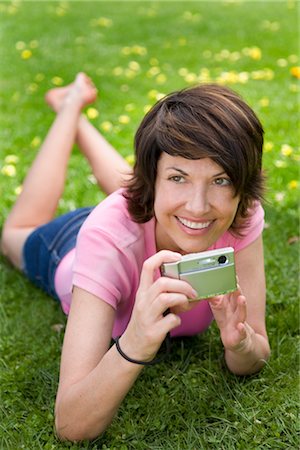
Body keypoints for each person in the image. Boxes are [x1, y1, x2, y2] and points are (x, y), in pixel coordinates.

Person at [1, 72, 270, 441]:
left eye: (221, 180)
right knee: (13, 234)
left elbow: (256, 350)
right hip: (67, 246)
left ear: (242, 186)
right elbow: (70, 424)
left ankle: (81, 115)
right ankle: (69, 109)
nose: (200, 204)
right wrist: (136, 341)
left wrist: (240, 344)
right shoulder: (106, 237)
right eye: (177, 177)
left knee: (166, 206)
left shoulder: (240, 215)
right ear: (155, 179)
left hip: (147, 216)